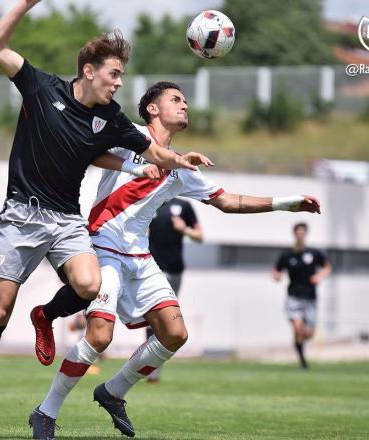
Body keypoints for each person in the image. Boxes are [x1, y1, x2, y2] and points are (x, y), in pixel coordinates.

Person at [0, 1, 212, 438]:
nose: (119, 83)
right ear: (89, 70)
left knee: (90, 285)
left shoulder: (111, 118)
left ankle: (46, 315)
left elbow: (151, 150)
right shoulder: (41, 87)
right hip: (21, 216)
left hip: (66, 219)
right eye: (114, 74)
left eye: (121, 77)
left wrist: (177, 159)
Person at [29, 81, 322, 439]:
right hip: (103, 245)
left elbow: (230, 201)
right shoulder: (129, 134)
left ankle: (113, 391)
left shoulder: (183, 168)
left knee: (175, 333)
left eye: (185, 100)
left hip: (139, 255)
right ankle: (46, 411)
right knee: (100, 336)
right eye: (176, 100)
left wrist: (284, 202)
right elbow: (86, 149)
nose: (185, 105)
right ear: (152, 109)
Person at [145, 198, 202, 382]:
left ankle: (154, 365)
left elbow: (199, 236)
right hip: (152, 269)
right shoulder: (149, 200)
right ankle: (150, 367)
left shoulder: (183, 206)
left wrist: (184, 229)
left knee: (167, 319)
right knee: (151, 318)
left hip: (175, 269)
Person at [272, 222, 331, 369]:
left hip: (310, 297)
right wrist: (276, 276)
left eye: (303, 232)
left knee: (309, 334)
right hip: (293, 296)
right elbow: (276, 270)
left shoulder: (314, 253)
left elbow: (327, 267)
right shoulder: (287, 255)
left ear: (305, 234)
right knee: (298, 328)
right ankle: (303, 361)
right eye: (298, 232)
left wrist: (320, 276)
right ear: (294, 234)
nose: (300, 235)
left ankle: (301, 350)